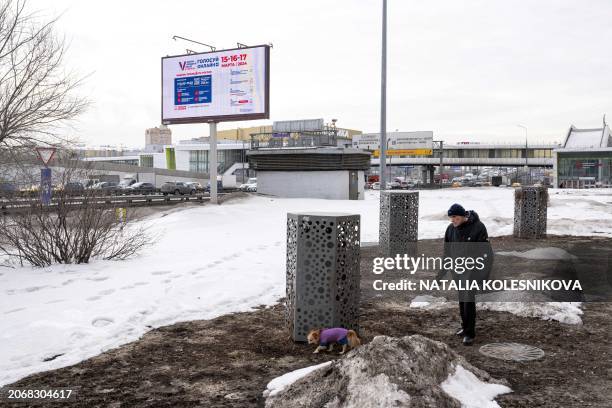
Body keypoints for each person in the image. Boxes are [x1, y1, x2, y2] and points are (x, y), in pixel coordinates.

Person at [437, 203, 493, 346]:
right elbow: (447, 253)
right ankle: (464, 327)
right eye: (451, 218)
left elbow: (487, 255)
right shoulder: (450, 230)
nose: (452, 220)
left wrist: (483, 277)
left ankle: (470, 333)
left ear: (462, 216)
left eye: (455, 217)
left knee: (468, 300)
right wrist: (441, 274)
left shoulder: (478, 227)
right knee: (462, 300)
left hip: (472, 271)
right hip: (457, 271)